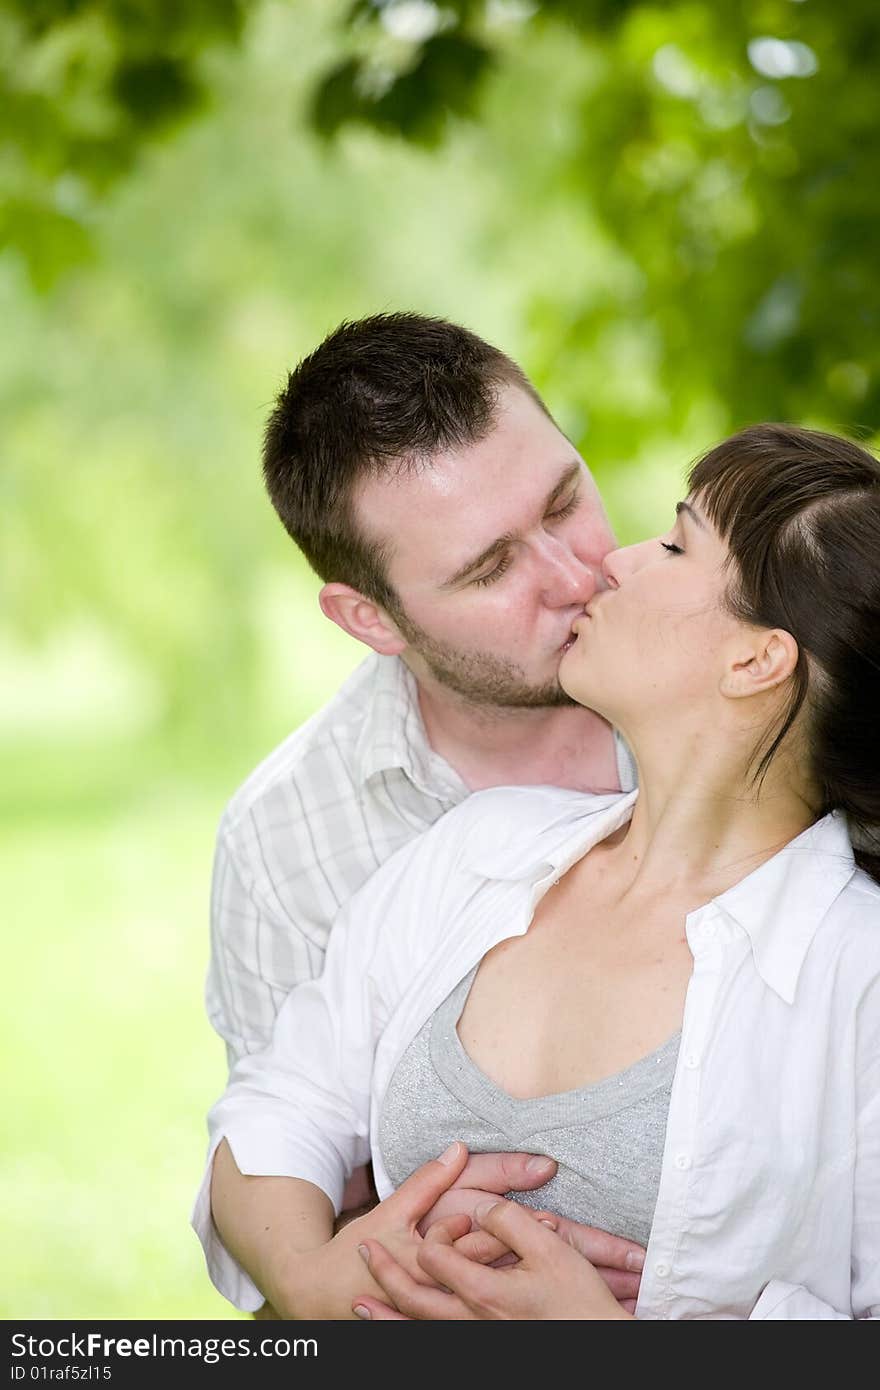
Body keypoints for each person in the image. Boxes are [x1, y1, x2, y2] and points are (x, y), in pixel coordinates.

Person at [199, 423, 880, 1320]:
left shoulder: (855, 974)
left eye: (677, 546)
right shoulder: (477, 851)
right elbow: (280, 1101)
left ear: (755, 659)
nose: (617, 563)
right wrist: (307, 1277)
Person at [196, 312, 645, 1315]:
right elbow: (308, 1173)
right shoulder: (289, 837)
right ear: (368, 617)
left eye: (566, 500)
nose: (574, 578)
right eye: (489, 569)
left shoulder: (756, 673)